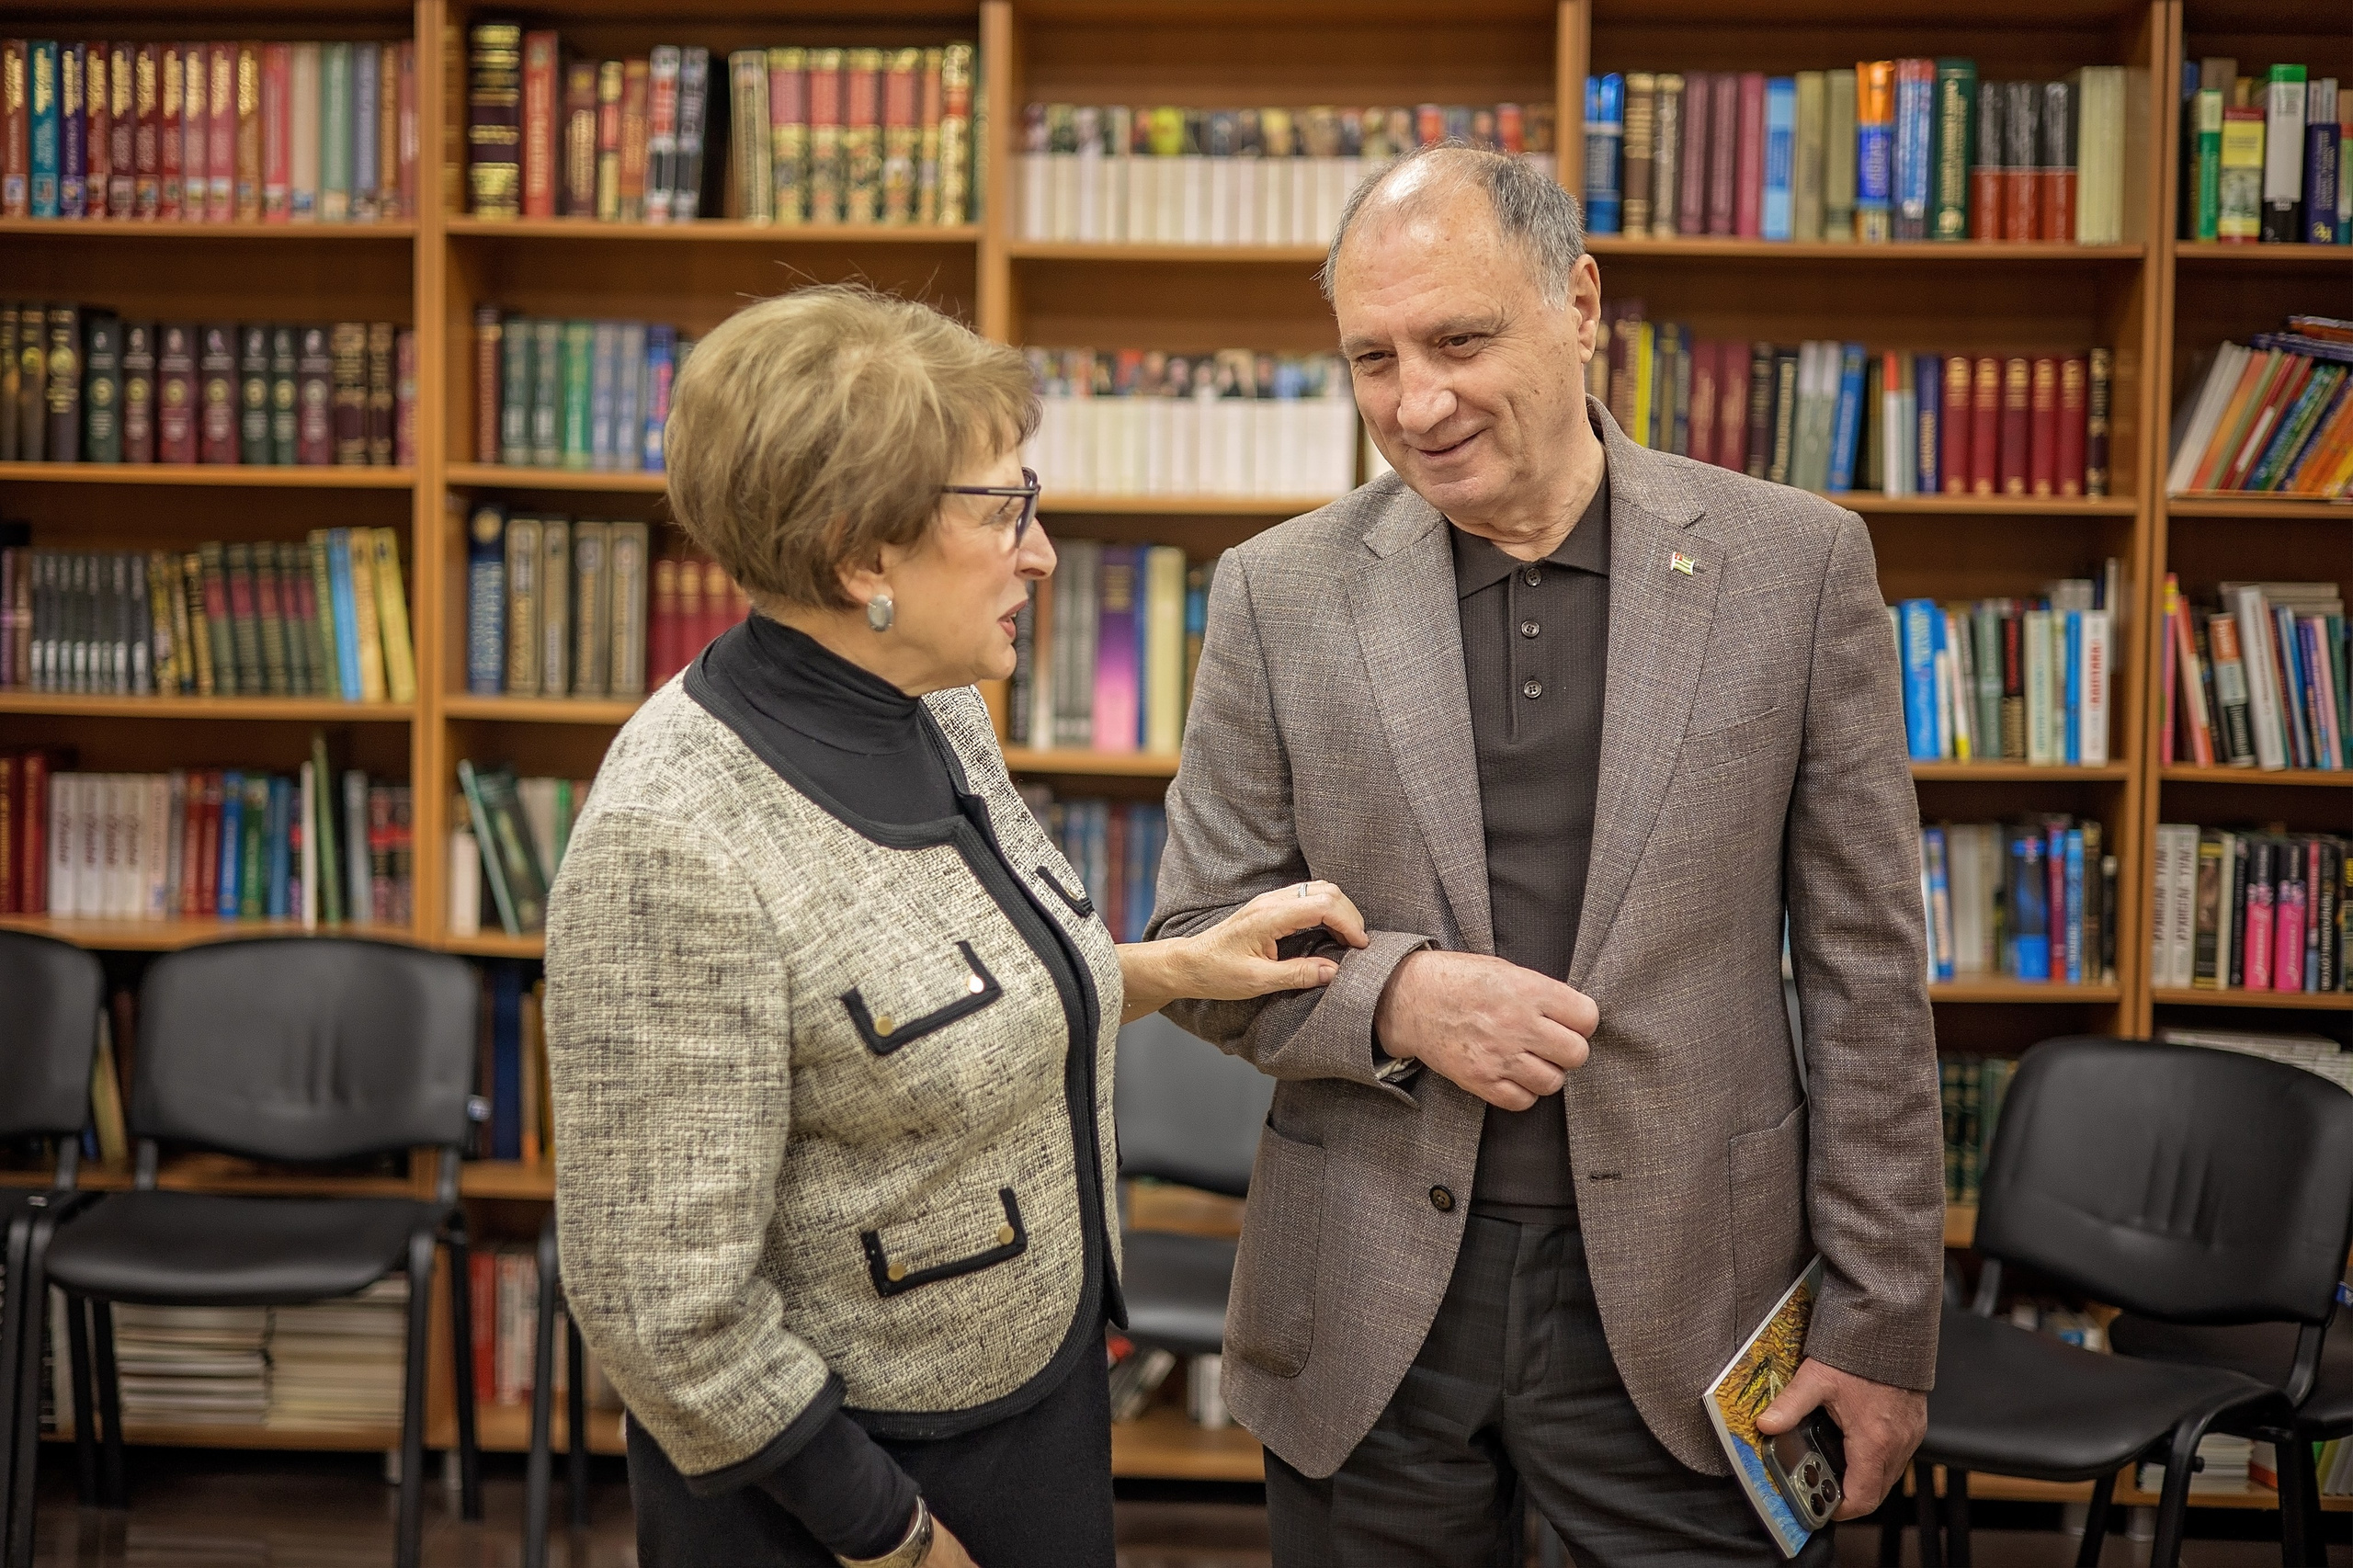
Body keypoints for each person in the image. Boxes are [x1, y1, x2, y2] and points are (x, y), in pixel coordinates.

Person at [1146, 144, 1944, 1566]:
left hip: (1690, 1303)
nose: (1418, 402)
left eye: (1460, 339)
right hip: (1369, 1306)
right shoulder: (1278, 593)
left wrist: (1885, 1319)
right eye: (1372, 358)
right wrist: (1394, 996)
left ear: (1580, 304)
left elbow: (1867, 972)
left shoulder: (1796, 566)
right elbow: (1202, 942)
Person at [542, 284, 1369, 1568]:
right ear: (859, 555)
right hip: (846, 1485)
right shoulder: (674, 837)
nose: (1041, 550)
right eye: (1005, 510)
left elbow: (946, 1002)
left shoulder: (931, 703)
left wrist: (1165, 969)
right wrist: (898, 1539)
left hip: (1029, 1396)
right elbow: (665, 1314)